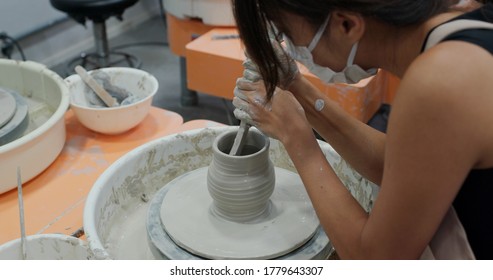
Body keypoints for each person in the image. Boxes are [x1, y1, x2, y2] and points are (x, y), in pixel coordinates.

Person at [231, 0, 493, 259]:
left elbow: (377, 261)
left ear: (345, 24)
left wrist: (296, 137)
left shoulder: (443, 80)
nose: (293, 49)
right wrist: (296, 88)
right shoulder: (464, 19)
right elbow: (402, 167)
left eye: (287, 33)